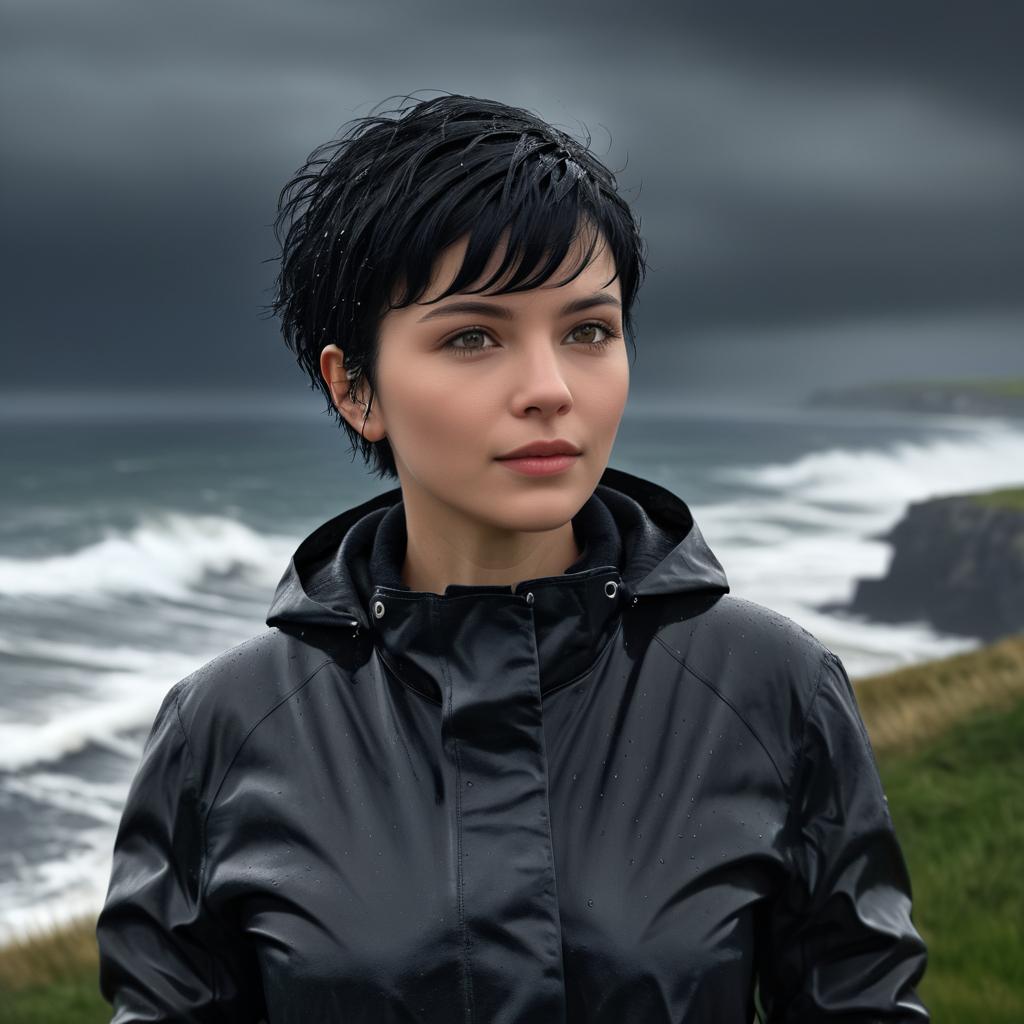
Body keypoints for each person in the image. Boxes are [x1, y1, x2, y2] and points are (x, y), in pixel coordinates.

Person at [95, 93, 930, 1023]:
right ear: (355, 388)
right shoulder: (222, 730)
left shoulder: (778, 688)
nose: (549, 389)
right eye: (473, 336)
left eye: (589, 331)